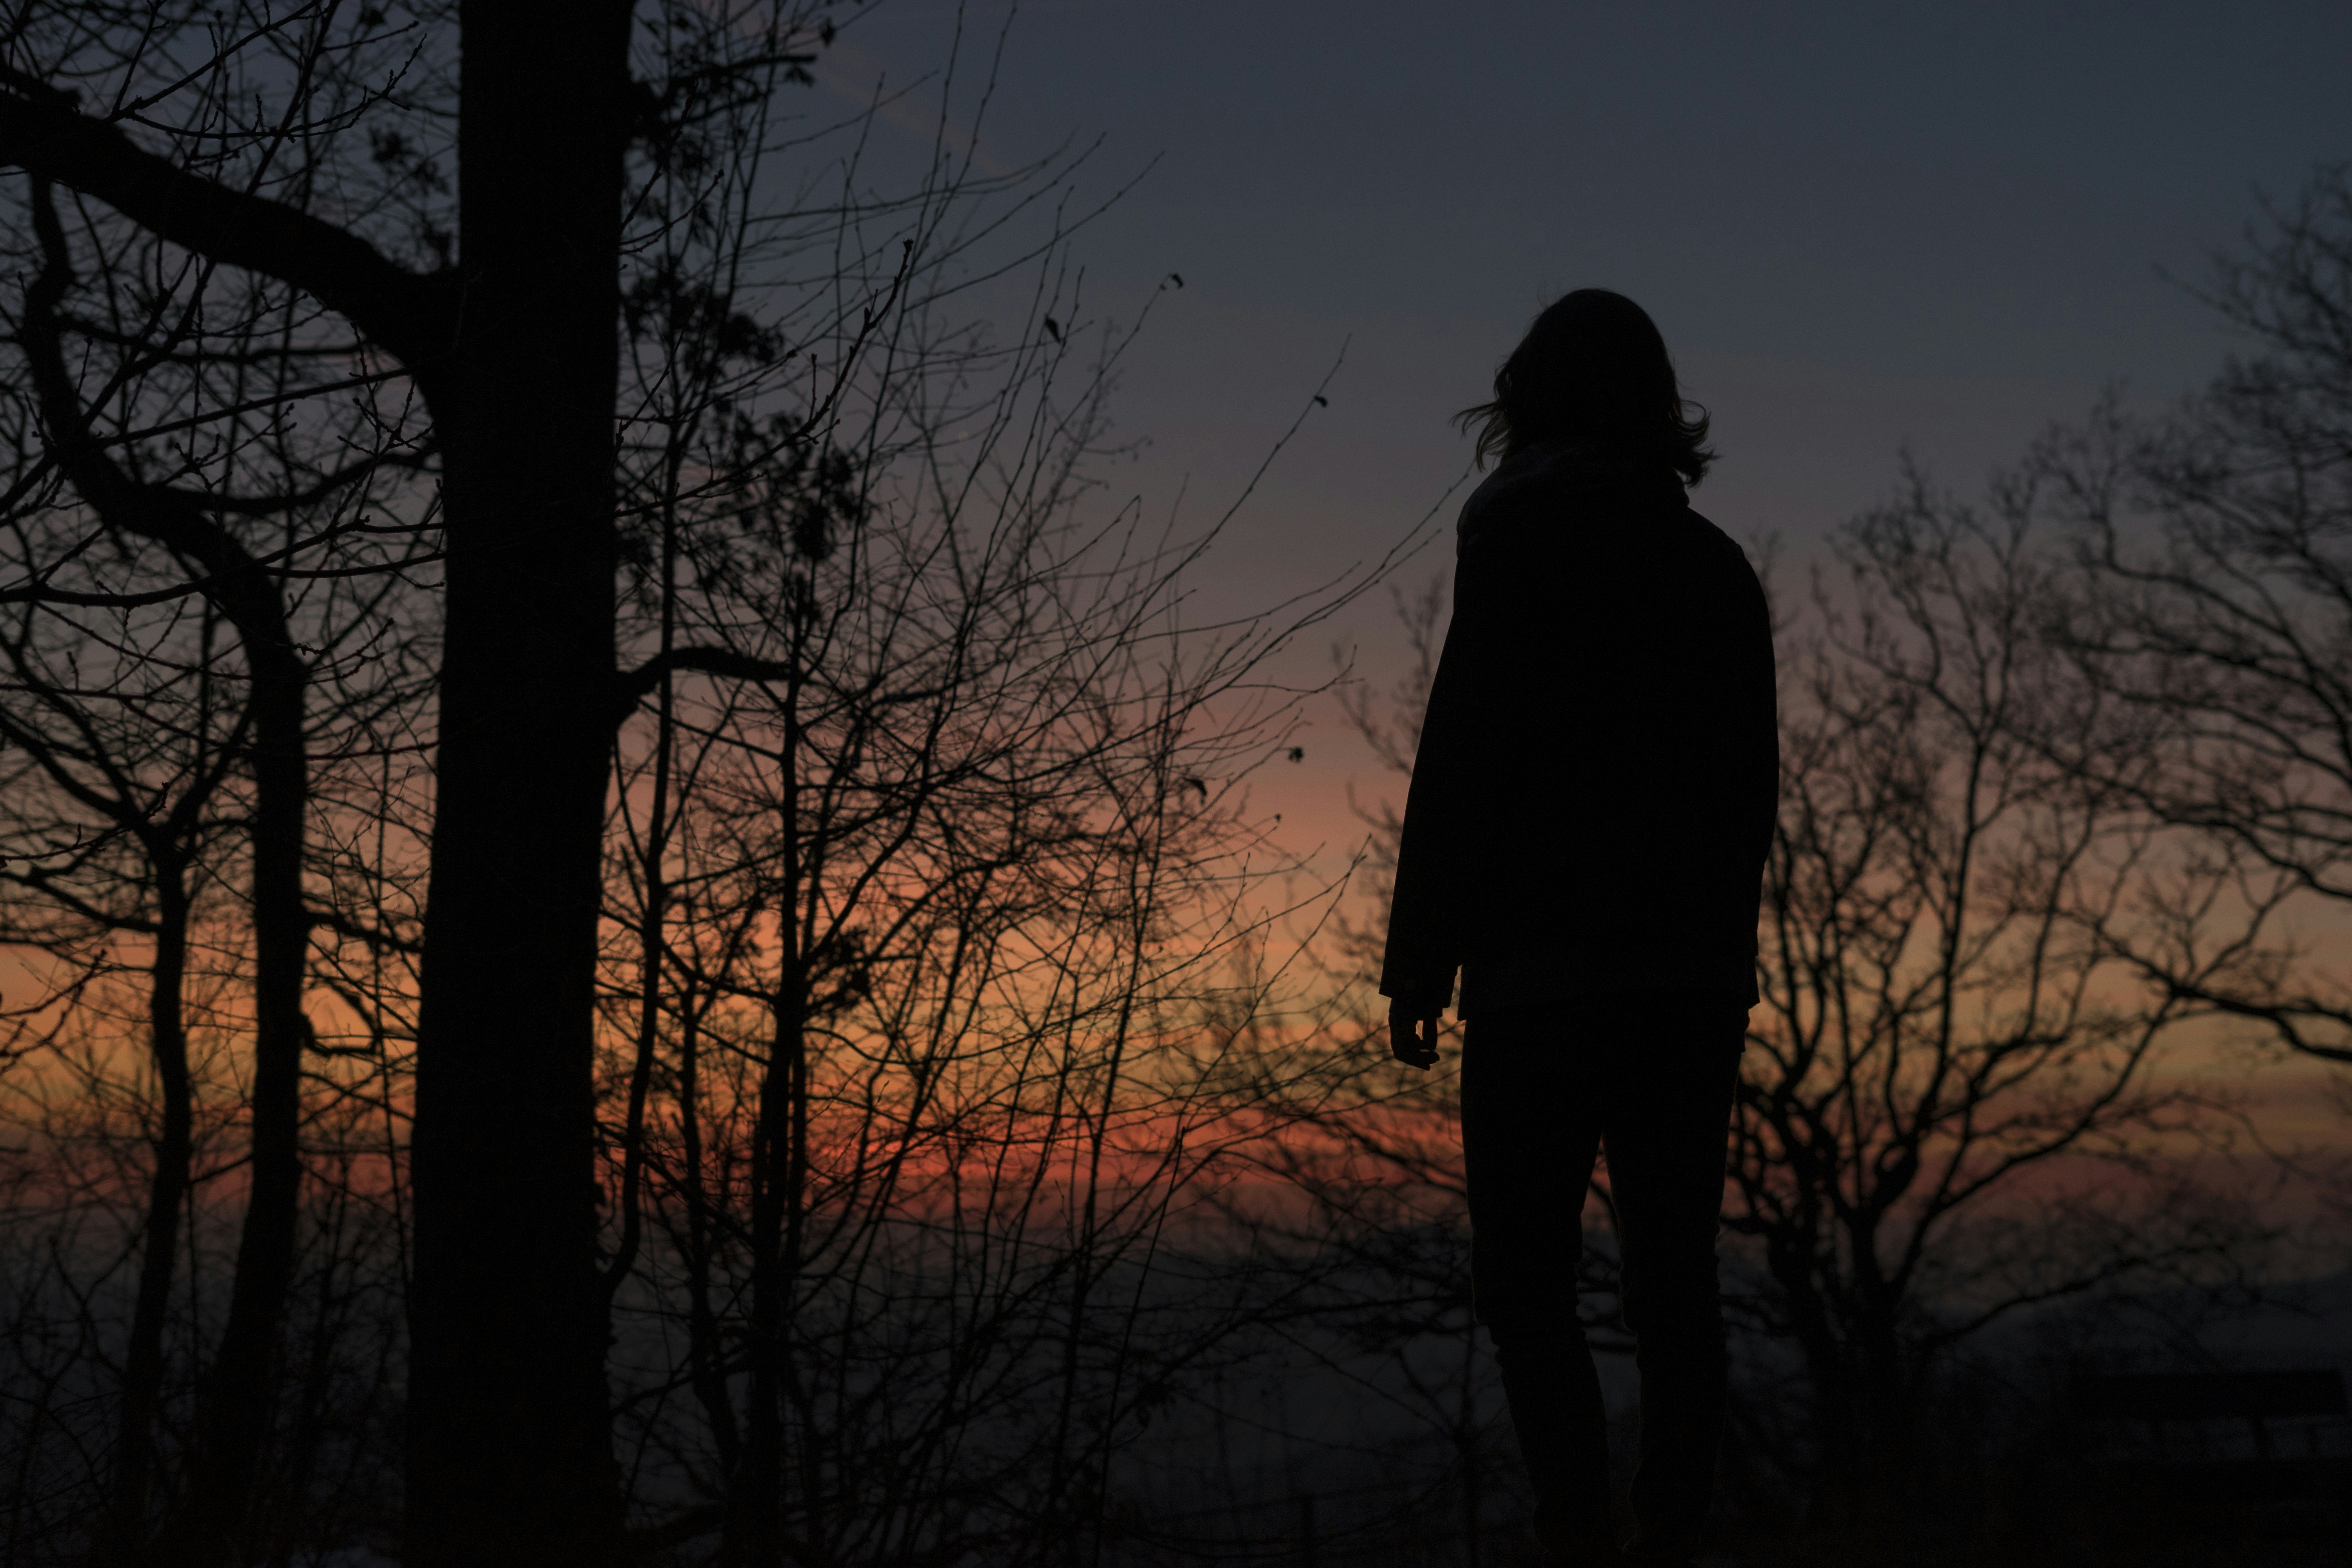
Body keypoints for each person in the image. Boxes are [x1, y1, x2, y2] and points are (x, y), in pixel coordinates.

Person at [1380, 289, 1777, 1567]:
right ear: (1660, 410)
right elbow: (1746, 795)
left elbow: (1464, 758)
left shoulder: (1513, 546)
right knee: (1675, 1284)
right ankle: (1670, 1536)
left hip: (1536, 980)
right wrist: (1715, 960)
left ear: (1525, 400)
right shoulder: (1715, 565)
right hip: (1683, 980)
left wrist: (1421, 958)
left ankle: (1576, 1537)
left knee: (1529, 1289)